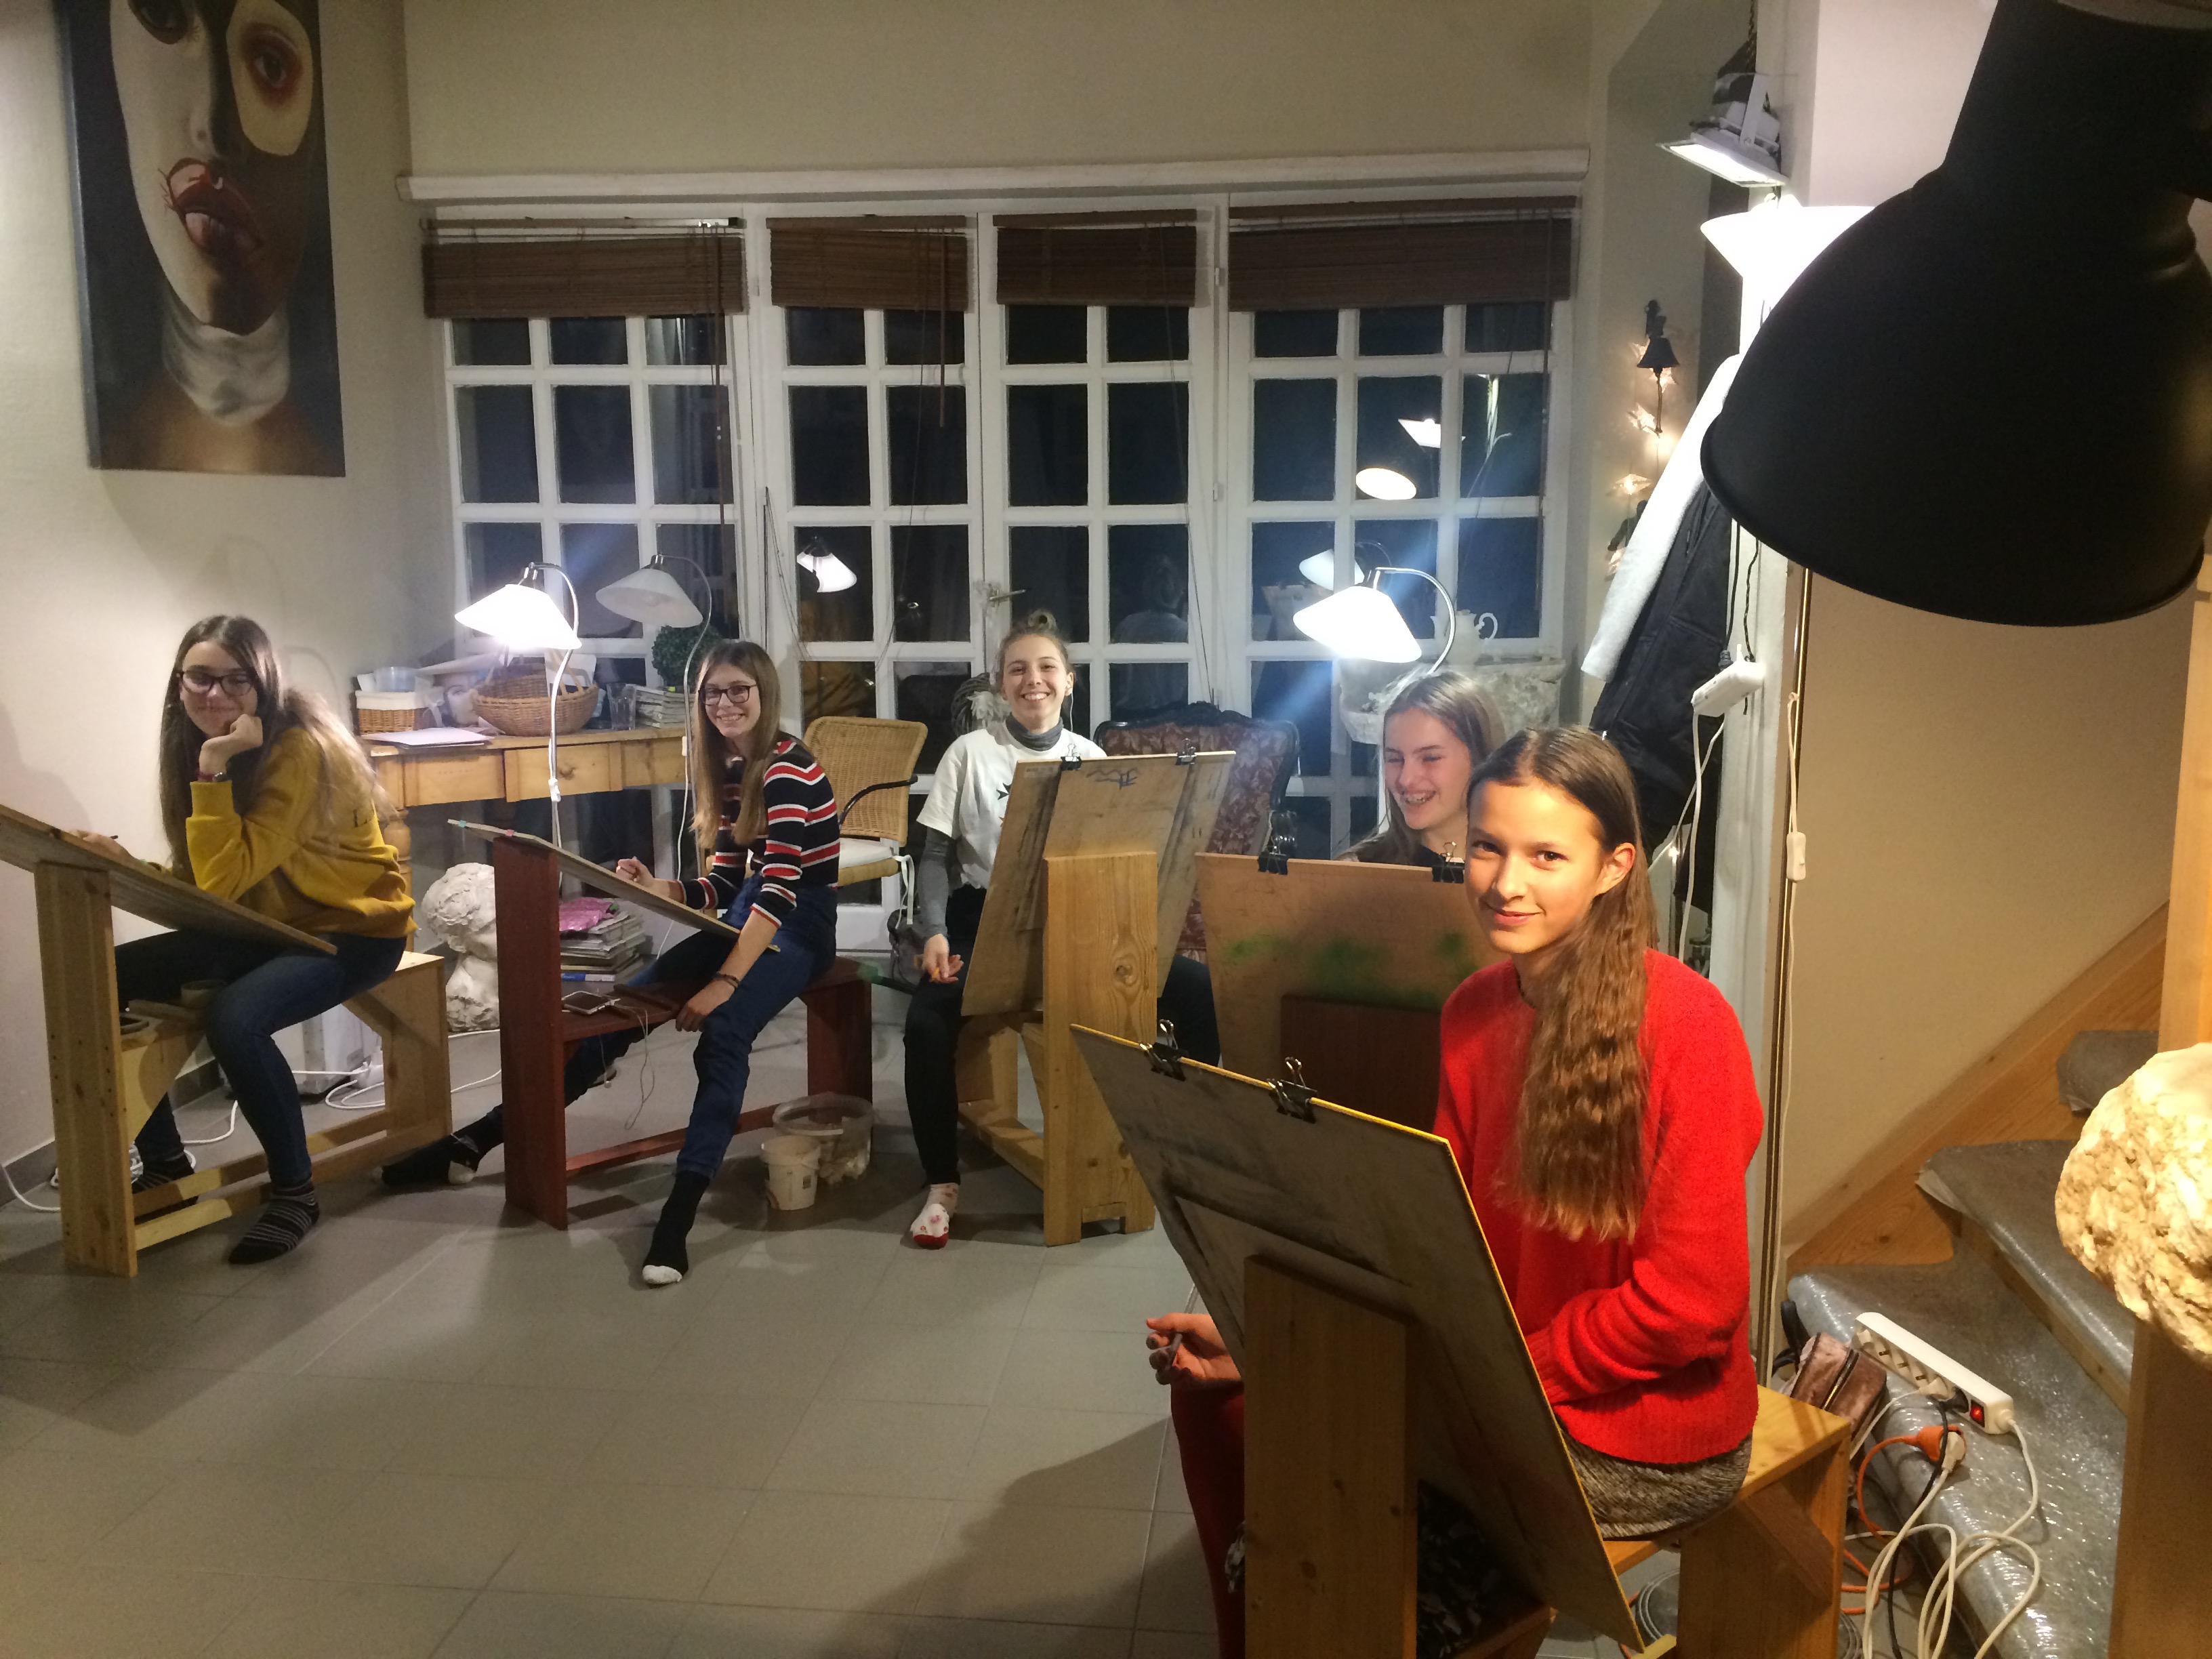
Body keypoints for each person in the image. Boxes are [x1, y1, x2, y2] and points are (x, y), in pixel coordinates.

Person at [1145, 726, 1763, 1658]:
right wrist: (1268, 1339)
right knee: (1227, 1416)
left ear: (1614, 867)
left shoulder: (1689, 1026)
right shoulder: (1474, 1010)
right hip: (1512, 1387)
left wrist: (1492, 1388)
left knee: (1333, 1523)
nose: (1506, 882)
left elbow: (1690, 1305)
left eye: (1547, 856)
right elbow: (1438, 1252)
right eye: (1487, 847)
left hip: (1646, 1431)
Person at [383, 640, 839, 1288]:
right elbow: (726, 886)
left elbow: (779, 894)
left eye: (739, 690)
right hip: (749, 915)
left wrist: (724, 982)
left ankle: (678, 1214)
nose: (725, 703)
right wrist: (659, 888)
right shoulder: (731, 769)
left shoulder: (789, 768)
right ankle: (474, 1141)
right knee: (624, 1007)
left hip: (800, 925)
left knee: (724, 1032)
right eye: (713, 692)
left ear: (765, 694)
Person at [68, 615, 411, 1263]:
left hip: (354, 929)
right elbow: (210, 884)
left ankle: (296, 1192)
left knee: (237, 1018)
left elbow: (223, 881)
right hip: (266, 927)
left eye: (236, 680)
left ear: (264, 686)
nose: (215, 694)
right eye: (200, 677)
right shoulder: (204, 749)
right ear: (179, 684)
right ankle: (165, 1165)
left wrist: (214, 766)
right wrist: (126, 866)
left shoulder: (297, 749)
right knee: (101, 974)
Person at [1344, 671, 1503, 869]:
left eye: (1430, 758)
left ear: (1482, 759)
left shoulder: (1521, 870)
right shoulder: (1357, 873)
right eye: (1395, 759)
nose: (1406, 779)